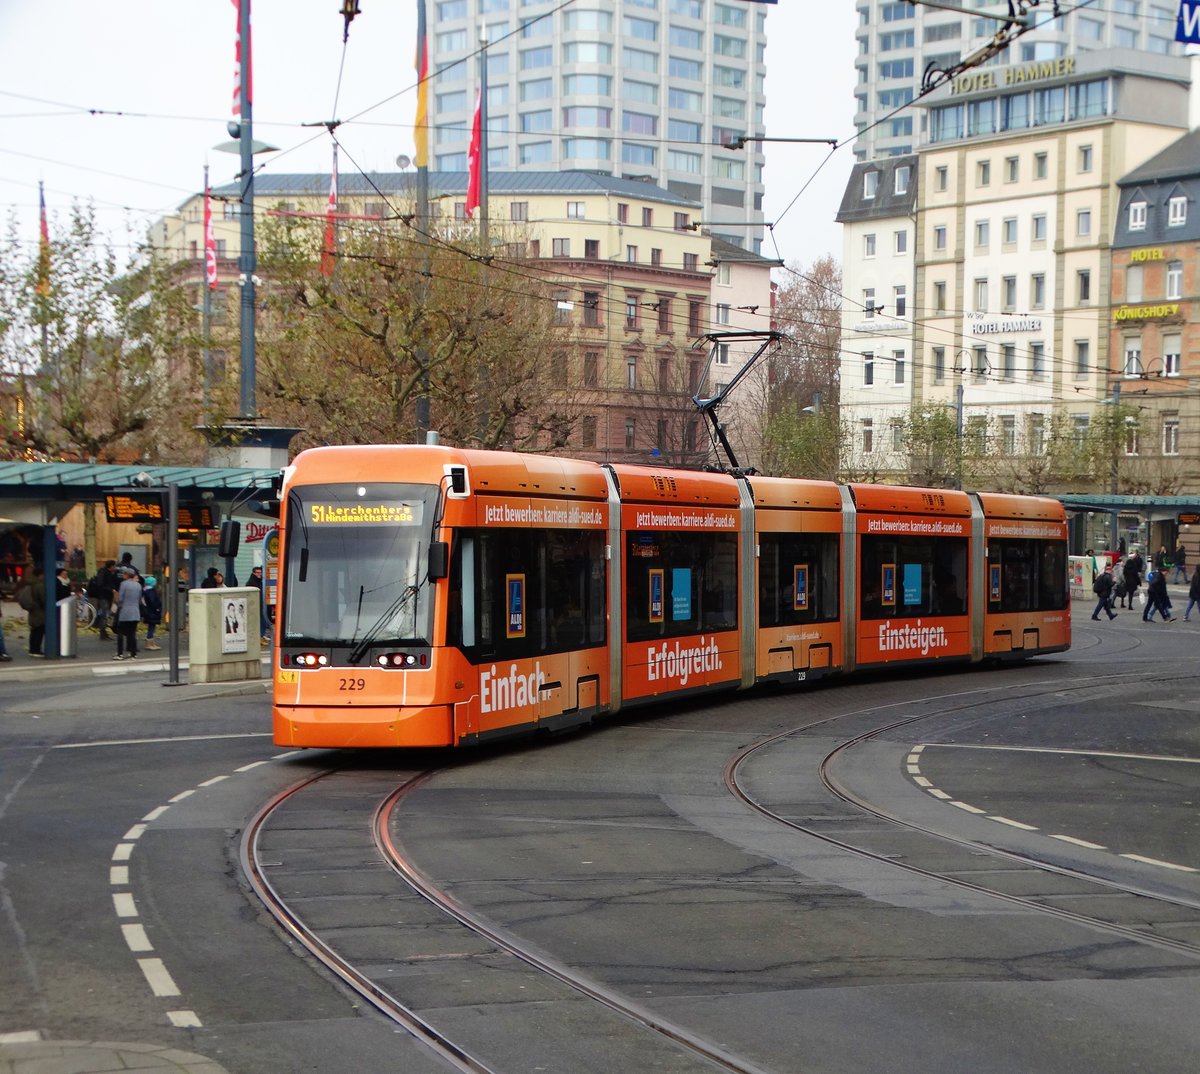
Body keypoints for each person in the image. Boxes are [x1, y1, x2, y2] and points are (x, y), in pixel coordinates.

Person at [113, 567, 143, 659]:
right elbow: (139, 599)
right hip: (135, 611)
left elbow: (121, 599)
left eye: (124, 574)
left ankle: (120, 653)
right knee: (132, 633)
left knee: (120, 632)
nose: (123, 575)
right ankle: (133, 653)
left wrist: (116, 601)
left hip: (125, 612)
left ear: (127, 574)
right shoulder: (138, 585)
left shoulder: (123, 584)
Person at [89, 559, 120, 641]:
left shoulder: (107, 573)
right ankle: (103, 632)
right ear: (111, 566)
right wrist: (111, 589)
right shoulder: (104, 573)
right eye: (114, 566)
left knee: (105, 613)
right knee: (104, 613)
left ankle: (103, 631)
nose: (115, 567)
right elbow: (101, 585)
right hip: (104, 596)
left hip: (106, 596)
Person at [247, 565, 270, 645]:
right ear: (254, 573)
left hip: (261, 604)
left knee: (263, 621)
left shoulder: (259, 581)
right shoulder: (252, 582)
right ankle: (259, 637)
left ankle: (260, 637)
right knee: (262, 622)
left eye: (260, 572)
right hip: (257, 605)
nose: (259, 574)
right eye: (257, 573)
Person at [141, 576, 163, 650]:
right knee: (151, 627)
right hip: (152, 612)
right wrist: (157, 608)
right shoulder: (151, 591)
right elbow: (153, 601)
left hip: (148, 611)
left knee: (151, 627)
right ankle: (149, 643)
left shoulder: (144, 590)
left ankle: (151, 643)